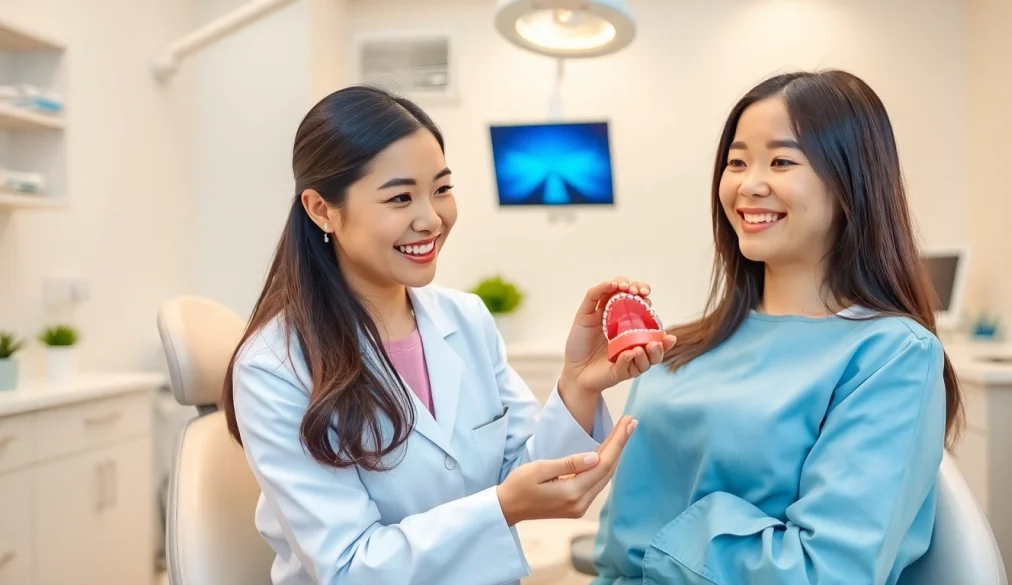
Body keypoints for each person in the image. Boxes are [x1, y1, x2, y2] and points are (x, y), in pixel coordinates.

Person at [221, 85, 677, 585]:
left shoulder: (466, 319)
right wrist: (501, 508)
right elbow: (350, 567)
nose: (432, 218)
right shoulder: (275, 367)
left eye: (441, 189)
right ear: (321, 209)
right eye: (400, 197)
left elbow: (521, 471)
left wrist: (579, 383)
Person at [591, 69, 964, 585]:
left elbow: (827, 573)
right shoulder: (682, 346)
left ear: (852, 182)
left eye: (782, 161)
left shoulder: (891, 356)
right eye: (736, 162)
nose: (749, 185)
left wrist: (667, 542)